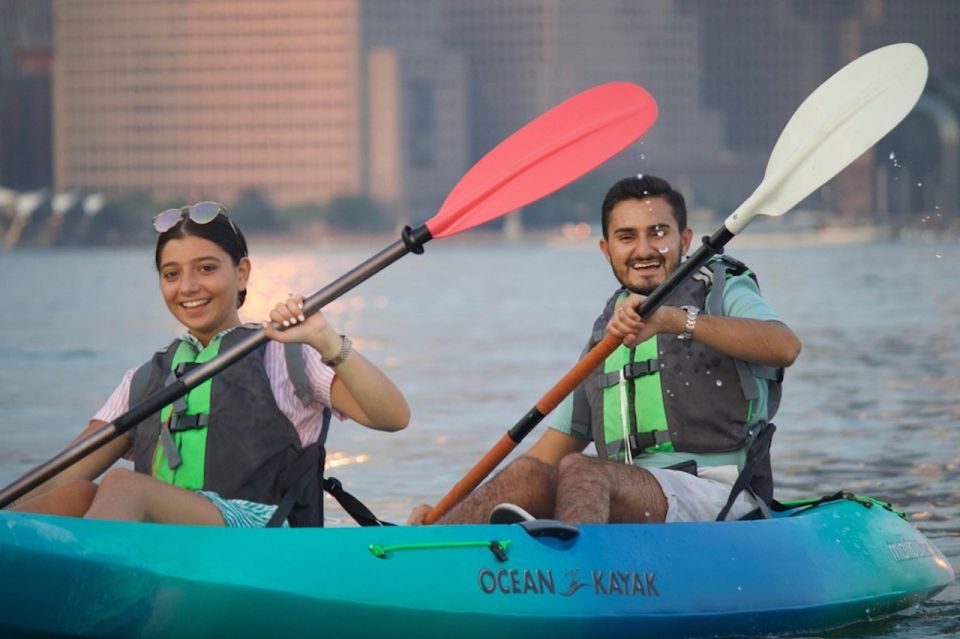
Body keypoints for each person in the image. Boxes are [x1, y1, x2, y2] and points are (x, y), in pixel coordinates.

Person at [409, 175, 800, 525]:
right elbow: (549, 454)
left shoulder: (722, 288)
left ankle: (577, 584)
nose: (644, 249)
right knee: (529, 473)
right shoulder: (608, 331)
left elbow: (784, 346)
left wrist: (675, 321)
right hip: (625, 493)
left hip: (718, 494)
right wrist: (453, 511)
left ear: (684, 240)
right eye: (627, 237)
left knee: (583, 470)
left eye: (658, 233)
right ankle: (428, 549)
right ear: (606, 249)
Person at [8, 201, 409, 527]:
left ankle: (86, 604)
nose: (188, 287)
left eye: (206, 268)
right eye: (172, 274)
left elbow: (393, 417)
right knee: (74, 495)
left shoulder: (288, 355)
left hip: (262, 540)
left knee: (123, 487)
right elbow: (61, 475)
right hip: (169, 546)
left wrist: (325, 340)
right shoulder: (146, 380)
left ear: (242, 273)